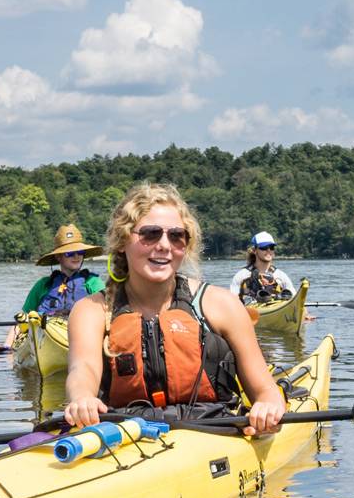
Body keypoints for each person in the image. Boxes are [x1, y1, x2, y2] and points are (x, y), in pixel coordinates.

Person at [63, 183, 285, 437]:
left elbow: (265, 389)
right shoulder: (91, 311)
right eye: (150, 234)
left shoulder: (222, 305)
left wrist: (269, 406)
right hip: (125, 436)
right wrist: (81, 399)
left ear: (186, 245)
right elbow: (83, 370)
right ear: (123, 241)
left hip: (214, 433)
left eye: (176, 236)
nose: (164, 245)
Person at [0, 224, 105, 352]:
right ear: (58, 257)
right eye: (70, 253)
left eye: (80, 252)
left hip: (83, 335)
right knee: (31, 318)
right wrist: (7, 347)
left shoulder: (93, 282)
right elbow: (23, 318)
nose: (76, 256)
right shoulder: (43, 285)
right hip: (45, 336)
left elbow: (106, 313)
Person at [229, 231, 295, 302]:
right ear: (254, 250)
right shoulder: (241, 276)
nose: (269, 250)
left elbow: (295, 299)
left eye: (271, 247)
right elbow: (232, 302)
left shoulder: (281, 276)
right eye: (264, 247)